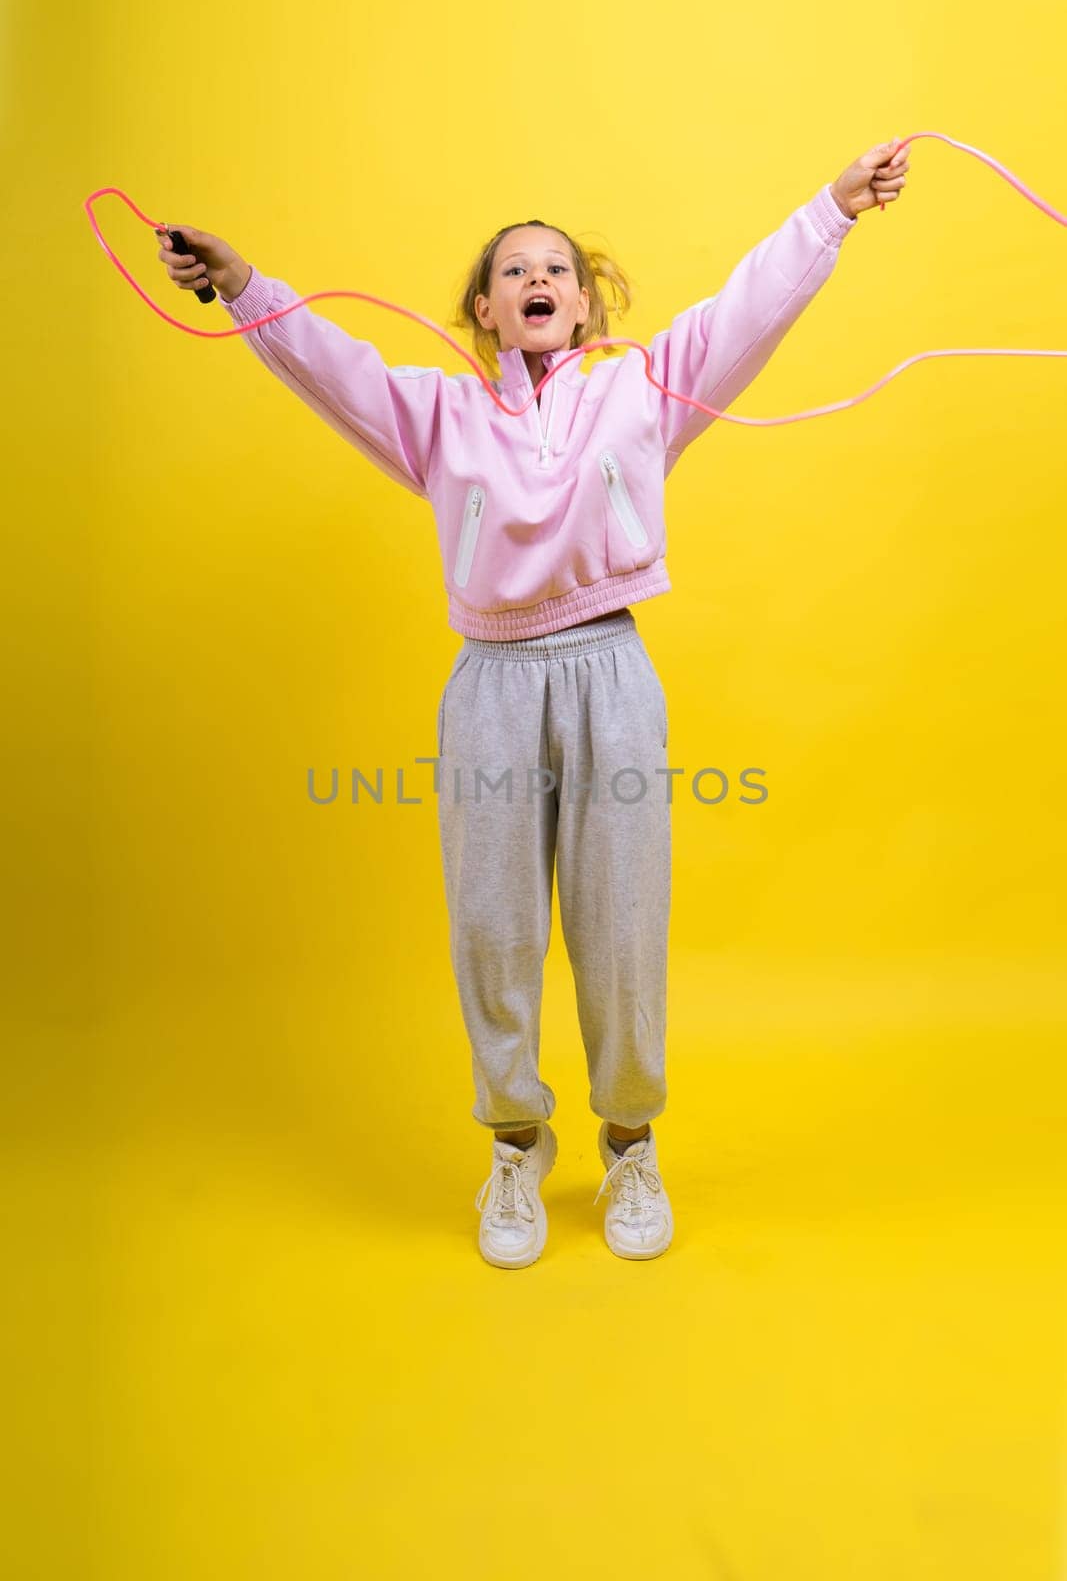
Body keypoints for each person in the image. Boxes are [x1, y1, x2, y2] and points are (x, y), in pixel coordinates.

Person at [154, 138, 911, 1270]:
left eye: (553, 266)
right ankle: (514, 1142)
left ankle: (627, 1139)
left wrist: (833, 208)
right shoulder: (439, 416)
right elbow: (332, 363)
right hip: (491, 687)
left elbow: (746, 309)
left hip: (610, 671)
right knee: (493, 930)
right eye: (513, 270)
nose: (536, 279)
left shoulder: (643, 387)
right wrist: (239, 283)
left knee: (619, 925)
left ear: (584, 300)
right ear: (486, 310)